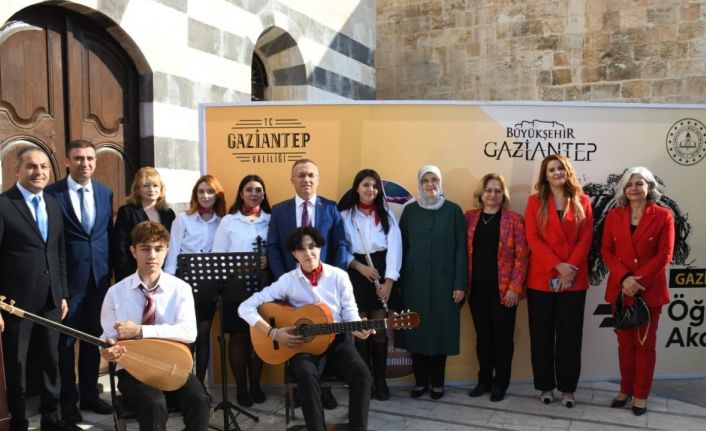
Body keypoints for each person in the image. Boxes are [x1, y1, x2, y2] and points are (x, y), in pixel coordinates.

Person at [239, 226, 372, 431]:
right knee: (306, 374)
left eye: (312, 247)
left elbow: (350, 314)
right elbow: (244, 307)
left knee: (362, 374)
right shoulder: (287, 281)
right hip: (303, 345)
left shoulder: (339, 276)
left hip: (338, 341)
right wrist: (273, 332)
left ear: (320, 248)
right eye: (301, 249)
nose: (308, 253)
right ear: (294, 254)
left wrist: (359, 329)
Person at [100, 221, 210, 430]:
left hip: (173, 365)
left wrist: (140, 331)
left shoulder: (180, 289)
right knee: (153, 403)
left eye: (158, 249)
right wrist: (107, 350)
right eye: (145, 249)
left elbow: (189, 332)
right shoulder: (115, 292)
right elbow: (106, 336)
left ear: (167, 250)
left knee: (200, 400)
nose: (152, 255)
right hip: (132, 369)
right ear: (133, 251)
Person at [0, 147, 78, 431]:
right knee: (17, 367)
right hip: (13, 305)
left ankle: (51, 418)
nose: (39, 172)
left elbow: (58, 253)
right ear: (17, 171)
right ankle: (18, 421)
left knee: (51, 361)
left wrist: (62, 293)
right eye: (32, 166)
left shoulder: (53, 204)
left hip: (51, 301)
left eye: (44, 166)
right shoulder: (4, 205)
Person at [266, 158, 347, 409]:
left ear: (318, 179)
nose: (306, 180)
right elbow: (273, 247)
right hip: (292, 288)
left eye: (311, 175)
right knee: (297, 335)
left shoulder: (331, 208)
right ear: (292, 180)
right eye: (301, 175)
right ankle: (301, 391)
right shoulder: (280, 210)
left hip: (325, 288)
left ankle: (325, 391)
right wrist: (283, 279)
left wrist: (333, 279)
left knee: (325, 336)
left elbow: (340, 245)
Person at [45, 140, 114, 423]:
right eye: (78, 158)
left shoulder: (105, 193)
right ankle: (68, 401)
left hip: (99, 281)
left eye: (89, 158)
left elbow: (105, 235)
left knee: (91, 342)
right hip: (68, 284)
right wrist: (57, 286)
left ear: (95, 162)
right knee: (64, 345)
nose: (84, 163)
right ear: (66, 161)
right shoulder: (52, 193)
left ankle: (89, 394)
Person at [600, 167, 674, 416]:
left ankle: (641, 394)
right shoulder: (613, 216)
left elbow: (665, 255)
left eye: (639, 183)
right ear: (623, 188)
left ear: (649, 187)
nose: (634, 188)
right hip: (621, 291)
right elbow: (607, 252)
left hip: (648, 290)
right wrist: (624, 278)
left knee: (645, 347)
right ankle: (625, 389)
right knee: (625, 346)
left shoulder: (664, 216)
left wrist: (637, 280)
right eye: (629, 184)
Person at [524, 154, 593, 408]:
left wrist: (568, 270)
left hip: (574, 280)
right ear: (545, 175)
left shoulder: (583, 201)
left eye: (560, 168)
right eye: (551, 169)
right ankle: (545, 386)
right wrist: (557, 266)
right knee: (541, 336)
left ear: (567, 171)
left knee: (569, 338)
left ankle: (567, 389)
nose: (556, 173)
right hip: (541, 279)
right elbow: (532, 238)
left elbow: (586, 239)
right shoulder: (534, 202)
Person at [396, 165, 467, 400]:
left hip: (445, 284)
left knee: (440, 332)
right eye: (425, 180)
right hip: (413, 283)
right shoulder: (410, 212)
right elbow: (401, 249)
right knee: (416, 330)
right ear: (420, 183)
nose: (430, 184)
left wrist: (460, 284)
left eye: (434, 179)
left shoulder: (454, 211)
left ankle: (437, 383)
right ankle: (420, 383)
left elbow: (461, 251)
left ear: (440, 182)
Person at [338, 169, 402, 401]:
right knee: (361, 329)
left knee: (380, 330)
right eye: (366, 185)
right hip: (356, 271)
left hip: (382, 270)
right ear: (356, 187)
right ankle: (364, 380)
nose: (370, 190)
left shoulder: (386, 214)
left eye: (374, 186)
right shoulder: (345, 215)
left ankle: (380, 380)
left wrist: (389, 282)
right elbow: (340, 248)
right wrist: (358, 266)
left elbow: (395, 247)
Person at [465, 173, 528, 402]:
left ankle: (501, 383)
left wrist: (514, 287)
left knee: (503, 339)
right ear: (481, 194)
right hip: (476, 290)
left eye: (497, 191)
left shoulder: (514, 219)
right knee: (483, 338)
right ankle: (483, 381)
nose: (493, 194)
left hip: (504, 291)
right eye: (489, 190)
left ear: (503, 195)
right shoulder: (469, 218)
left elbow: (522, 257)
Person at [211, 174, 271, 407]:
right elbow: (218, 255)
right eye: (249, 189)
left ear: (263, 194)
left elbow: (277, 250)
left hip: (264, 285)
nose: (254, 193)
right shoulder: (229, 221)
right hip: (235, 286)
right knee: (239, 336)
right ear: (241, 193)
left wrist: (268, 261)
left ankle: (255, 384)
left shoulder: (271, 219)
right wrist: (239, 266)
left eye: (258, 190)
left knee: (260, 336)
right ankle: (241, 388)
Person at [113, 167, 175, 281]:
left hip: (162, 273)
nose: (151, 189)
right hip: (133, 272)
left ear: (161, 189)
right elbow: (120, 247)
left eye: (155, 185)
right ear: (137, 189)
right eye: (146, 186)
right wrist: (124, 277)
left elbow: (172, 244)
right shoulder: (127, 211)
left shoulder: (169, 214)